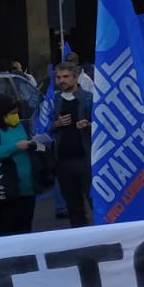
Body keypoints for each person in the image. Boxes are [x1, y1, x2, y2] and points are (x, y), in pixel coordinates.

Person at [0, 92, 37, 236]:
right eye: (12, 113)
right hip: (7, 189)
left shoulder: (18, 126)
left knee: (26, 228)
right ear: (1, 112)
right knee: (7, 228)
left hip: (27, 188)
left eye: (16, 112)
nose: (15, 116)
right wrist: (16, 146)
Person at [49, 62, 93, 228]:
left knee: (95, 201)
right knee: (73, 207)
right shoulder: (53, 101)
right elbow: (42, 128)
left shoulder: (89, 98)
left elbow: (103, 126)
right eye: (59, 77)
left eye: (66, 77)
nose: (62, 81)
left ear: (75, 77)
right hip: (63, 161)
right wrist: (56, 124)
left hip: (85, 159)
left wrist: (88, 125)